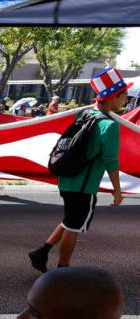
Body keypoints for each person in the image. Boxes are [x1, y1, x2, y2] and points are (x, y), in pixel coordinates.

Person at [28, 68, 130, 272]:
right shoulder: (110, 126)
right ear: (113, 98)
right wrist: (118, 191)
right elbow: (111, 161)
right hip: (84, 185)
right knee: (74, 227)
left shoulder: (86, 113)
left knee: (70, 220)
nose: (126, 100)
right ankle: (63, 271)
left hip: (67, 179)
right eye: (124, 96)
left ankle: (42, 252)